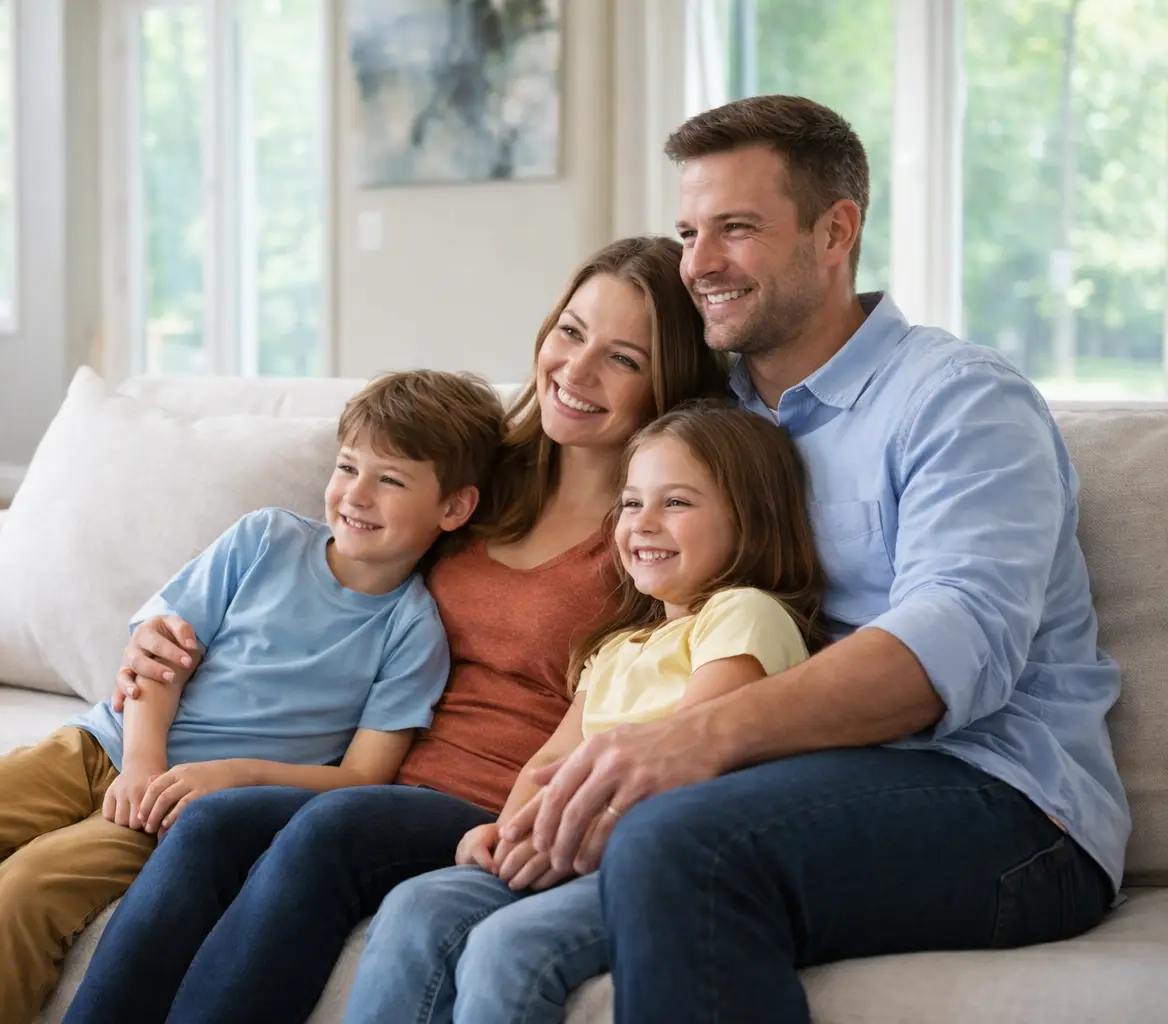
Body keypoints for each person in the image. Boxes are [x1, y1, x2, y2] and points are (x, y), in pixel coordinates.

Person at [509, 94, 1129, 1023]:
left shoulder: (957, 400)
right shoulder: (709, 417)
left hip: (1007, 805)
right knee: (476, 915)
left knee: (683, 843)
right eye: (689, 231)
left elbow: (951, 641)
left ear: (836, 231)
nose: (700, 264)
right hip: (790, 790)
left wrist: (694, 738)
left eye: (737, 228)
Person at [63, 236, 731, 1024]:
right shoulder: (476, 478)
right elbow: (327, 577)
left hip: (487, 801)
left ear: (669, 384)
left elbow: (682, 672)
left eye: (623, 358)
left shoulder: (652, 531)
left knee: (332, 832)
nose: (576, 372)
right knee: (213, 820)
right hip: (370, 771)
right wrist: (164, 642)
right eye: (571, 332)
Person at [0, 368, 505, 1024]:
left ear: (453, 508)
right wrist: (141, 761)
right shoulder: (263, 540)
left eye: (390, 480)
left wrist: (227, 776)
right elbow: (159, 658)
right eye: (347, 467)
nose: (355, 494)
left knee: (20, 894)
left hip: (180, 807)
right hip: (104, 746)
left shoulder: (414, 632)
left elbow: (363, 776)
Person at [344, 401, 829, 1024]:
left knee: (507, 945)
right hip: (560, 844)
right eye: (630, 503)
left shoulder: (744, 614)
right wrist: (507, 828)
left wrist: (559, 839)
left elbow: (692, 753)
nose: (644, 523)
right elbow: (550, 758)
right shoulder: (615, 645)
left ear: (752, 517)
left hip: (648, 862)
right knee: (416, 905)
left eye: (676, 503)